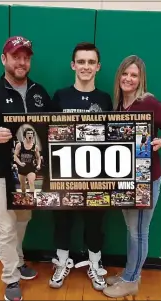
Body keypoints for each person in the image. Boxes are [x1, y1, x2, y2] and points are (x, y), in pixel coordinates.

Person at [0, 36, 57, 301]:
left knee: (23, 220)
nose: (21, 62)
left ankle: (18, 260)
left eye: (26, 57)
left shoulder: (39, 92)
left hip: (31, 174)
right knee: (5, 226)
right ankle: (10, 277)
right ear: (4, 59)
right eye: (16, 56)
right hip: (4, 173)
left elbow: (52, 128)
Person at [102, 55, 161, 298]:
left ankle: (132, 280)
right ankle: (129, 272)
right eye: (125, 74)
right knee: (131, 228)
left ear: (140, 79)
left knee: (139, 231)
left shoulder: (150, 103)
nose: (128, 78)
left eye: (134, 75)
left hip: (146, 179)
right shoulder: (118, 105)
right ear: (119, 76)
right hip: (125, 178)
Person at [48, 42, 113, 291]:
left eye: (90, 62)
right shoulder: (61, 96)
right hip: (64, 173)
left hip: (96, 174)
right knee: (62, 219)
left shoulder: (105, 98)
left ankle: (95, 264)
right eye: (81, 62)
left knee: (95, 221)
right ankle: (62, 262)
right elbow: (48, 134)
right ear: (73, 65)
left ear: (98, 67)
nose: (86, 66)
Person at [14, 127, 41, 194]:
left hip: (31, 168)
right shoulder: (19, 145)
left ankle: (31, 200)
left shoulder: (35, 147)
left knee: (31, 182)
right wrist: (20, 163)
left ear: (33, 135)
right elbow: (15, 156)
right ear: (25, 135)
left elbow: (38, 157)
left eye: (31, 133)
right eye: (28, 133)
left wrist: (38, 165)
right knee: (23, 187)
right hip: (21, 168)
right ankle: (24, 198)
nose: (30, 135)